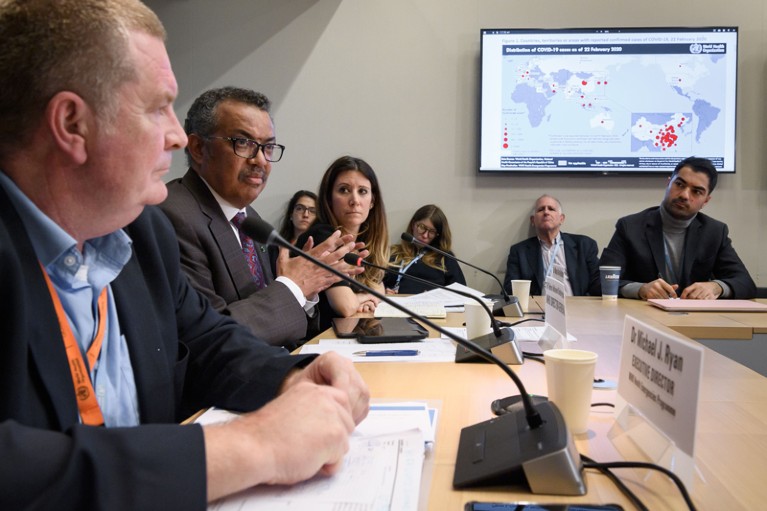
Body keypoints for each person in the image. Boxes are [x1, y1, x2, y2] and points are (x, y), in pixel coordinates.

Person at [0, 2, 369, 509]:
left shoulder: (140, 234)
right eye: (157, 108)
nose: (177, 137)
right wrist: (251, 446)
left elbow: (208, 343)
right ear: (71, 123)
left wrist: (294, 376)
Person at [161, 88, 358, 349]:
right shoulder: (172, 216)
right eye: (243, 143)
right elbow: (208, 337)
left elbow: (284, 323)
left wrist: (306, 292)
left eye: (268, 147)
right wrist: (292, 286)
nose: (260, 160)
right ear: (198, 148)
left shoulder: (249, 219)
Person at [600, 156, 756, 300]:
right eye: (679, 184)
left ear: (706, 201)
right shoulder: (630, 227)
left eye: (696, 191)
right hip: (643, 315)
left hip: (696, 319)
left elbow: (745, 283)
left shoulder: (715, 231)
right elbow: (599, 281)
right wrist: (640, 289)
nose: (685, 195)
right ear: (668, 183)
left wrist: (716, 287)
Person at [299, 156, 390, 332]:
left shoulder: (365, 240)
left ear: (372, 201)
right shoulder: (323, 238)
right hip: (312, 345)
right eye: (344, 190)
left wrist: (363, 298)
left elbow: (379, 287)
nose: (354, 200)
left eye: (362, 191)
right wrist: (364, 297)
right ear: (329, 198)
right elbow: (346, 306)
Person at [503, 195, 601, 296]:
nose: (546, 212)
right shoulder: (519, 251)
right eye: (541, 209)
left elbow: (598, 283)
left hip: (576, 307)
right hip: (537, 309)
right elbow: (509, 290)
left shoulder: (584, 245)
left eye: (551, 209)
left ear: (561, 219)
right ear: (533, 220)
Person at [384, 204, 466, 294]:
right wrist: (383, 292)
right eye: (422, 227)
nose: (425, 235)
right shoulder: (393, 253)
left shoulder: (445, 257)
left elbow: (461, 294)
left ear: (437, 235)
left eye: (432, 232)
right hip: (393, 305)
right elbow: (374, 284)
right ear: (413, 225)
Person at [269, 190, 318, 275]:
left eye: (312, 211)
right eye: (300, 208)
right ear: (291, 215)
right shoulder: (275, 247)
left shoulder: (320, 247)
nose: (306, 215)